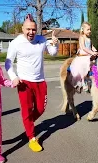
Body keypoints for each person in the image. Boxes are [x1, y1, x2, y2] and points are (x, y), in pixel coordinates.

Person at [5, 14, 59, 152]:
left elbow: (53, 53)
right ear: (22, 29)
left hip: (40, 81)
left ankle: (27, 122)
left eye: (34, 29)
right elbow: (8, 62)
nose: (31, 32)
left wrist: (55, 43)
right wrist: (13, 77)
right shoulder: (16, 43)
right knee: (27, 110)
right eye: (28, 29)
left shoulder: (41, 40)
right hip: (24, 82)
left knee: (41, 108)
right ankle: (32, 138)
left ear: (37, 30)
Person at [70, 22, 98, 92]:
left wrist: (96, 51)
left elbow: (91, 46)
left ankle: (92, 80)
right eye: (88, 29)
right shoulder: (81, 37)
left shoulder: (89, 38)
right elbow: (83, 47)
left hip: (89, 54)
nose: (90, 31)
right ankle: (83, 81)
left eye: (90, 29)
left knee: (94, 64)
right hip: (83, 55)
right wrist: (92, 52)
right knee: (83, 67)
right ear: (83, 30)